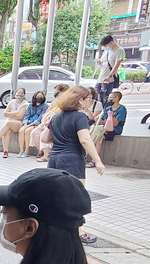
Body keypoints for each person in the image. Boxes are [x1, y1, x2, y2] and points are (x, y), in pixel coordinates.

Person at [41, 86, 105, 245]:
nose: (88, 101)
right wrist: (97, 160)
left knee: (56, 195)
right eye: (87, 98)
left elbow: (45, 138)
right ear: (80, 100)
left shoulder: (56, 117)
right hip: (72, 160)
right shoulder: (80, 117)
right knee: (76, 197)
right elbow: (85, 140)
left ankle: (53, 229)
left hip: (54, 159)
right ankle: (78, 232)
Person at [0, 88, 27, 158]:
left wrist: (11, 114)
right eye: (18, 94)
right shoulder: (12, 102)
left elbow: (20, 116)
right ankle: (5, 151)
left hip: (18, 124)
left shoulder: (25, 104)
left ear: (24, 95)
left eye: (21, 95)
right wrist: (16, 113)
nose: (19, 96)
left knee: (8, 123)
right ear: (15, 94)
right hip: (9, 123)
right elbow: (5, 114)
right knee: (6, 133)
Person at [93, 90, 127, 161]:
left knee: (99, 137)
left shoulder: (121, 109)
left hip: (115, 129)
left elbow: (115, 124)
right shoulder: (108, 108)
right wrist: (99, 119)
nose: (109, 99)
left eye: (111, 98)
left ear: (117, 98)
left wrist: (112, 115)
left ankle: (95, 160)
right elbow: (104, 121)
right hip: (105, 128)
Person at [95, 35, 125, 107]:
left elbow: (116, 65)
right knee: (95, 96)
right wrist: (100, 63)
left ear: (111, 42)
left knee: (106, 99)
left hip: (109, 79)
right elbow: (104, 64)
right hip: (101, 78)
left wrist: (110, 76)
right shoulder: (106, 51)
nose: (105, 47)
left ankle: (105, 115)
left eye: (106, 45)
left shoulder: (119, 50)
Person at [17, 91, 48, 158]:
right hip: (29, 122)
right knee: (21, 130)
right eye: (38, 97)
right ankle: (21, 150)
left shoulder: (45, 106)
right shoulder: (30, 105)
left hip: (37, 124)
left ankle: (27, 151)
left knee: (28, 131)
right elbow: (27, 115)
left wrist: (29, 125)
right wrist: (25, 124)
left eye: (41, 97)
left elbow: (40, 118)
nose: (40, 98)